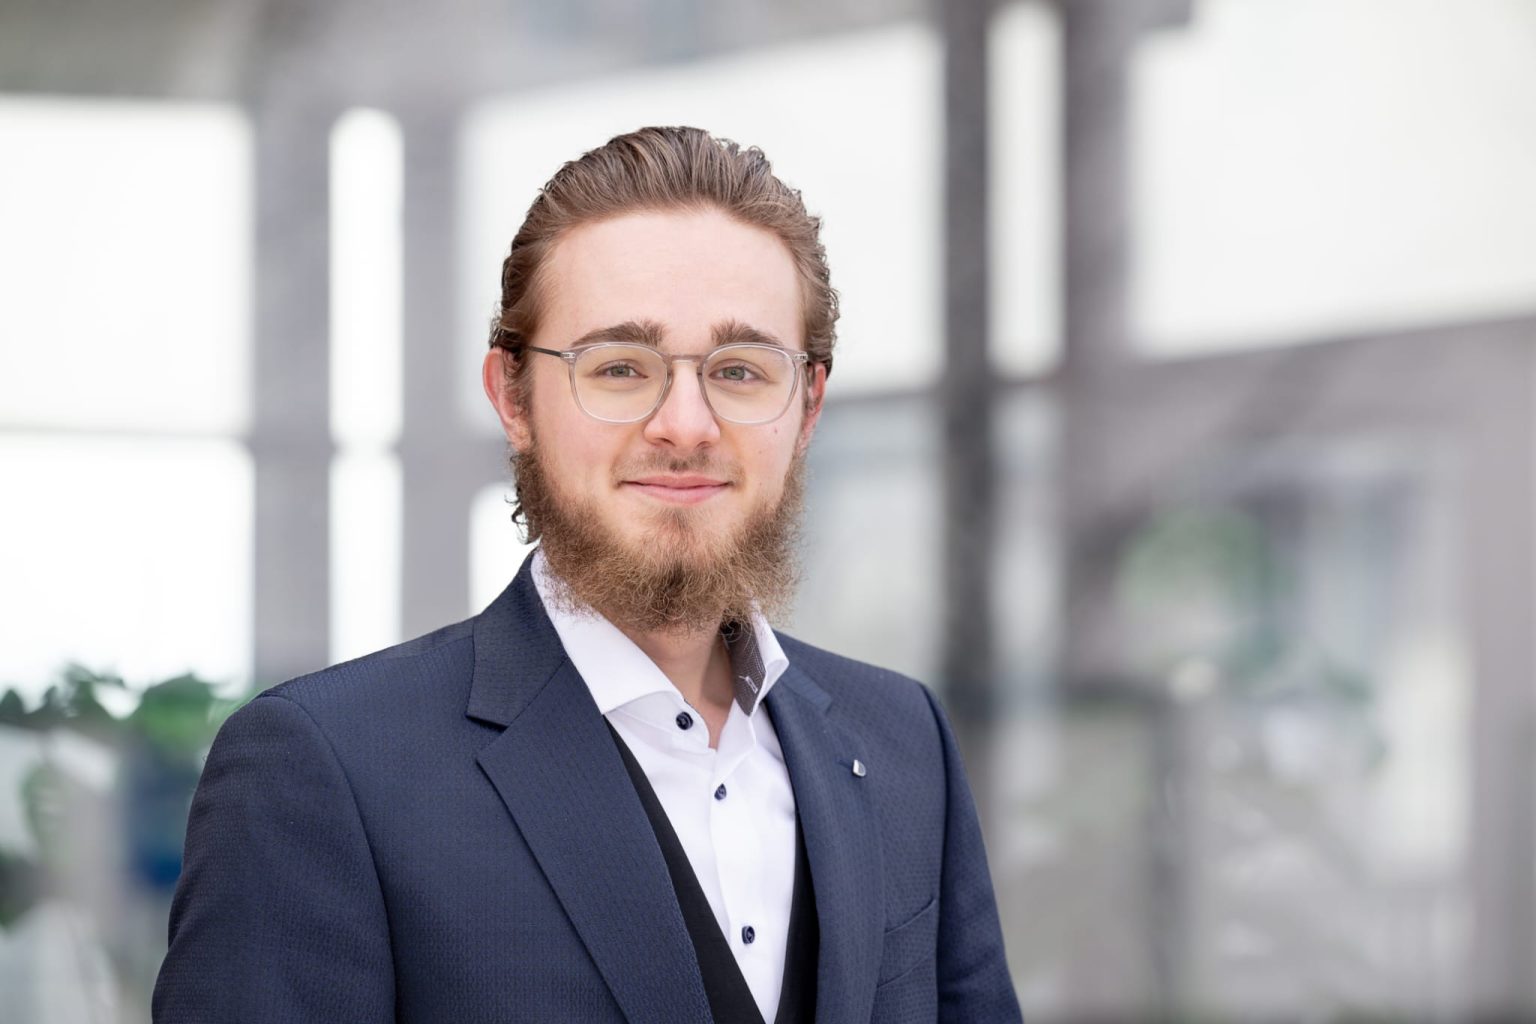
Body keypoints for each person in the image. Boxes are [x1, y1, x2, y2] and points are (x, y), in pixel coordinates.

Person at [153, 125, 1022, 1024]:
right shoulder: (321, 773)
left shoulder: (903, 741)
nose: (685, 424)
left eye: (739, 369)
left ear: (807, 407)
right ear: (513, 398)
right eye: (618, 367)